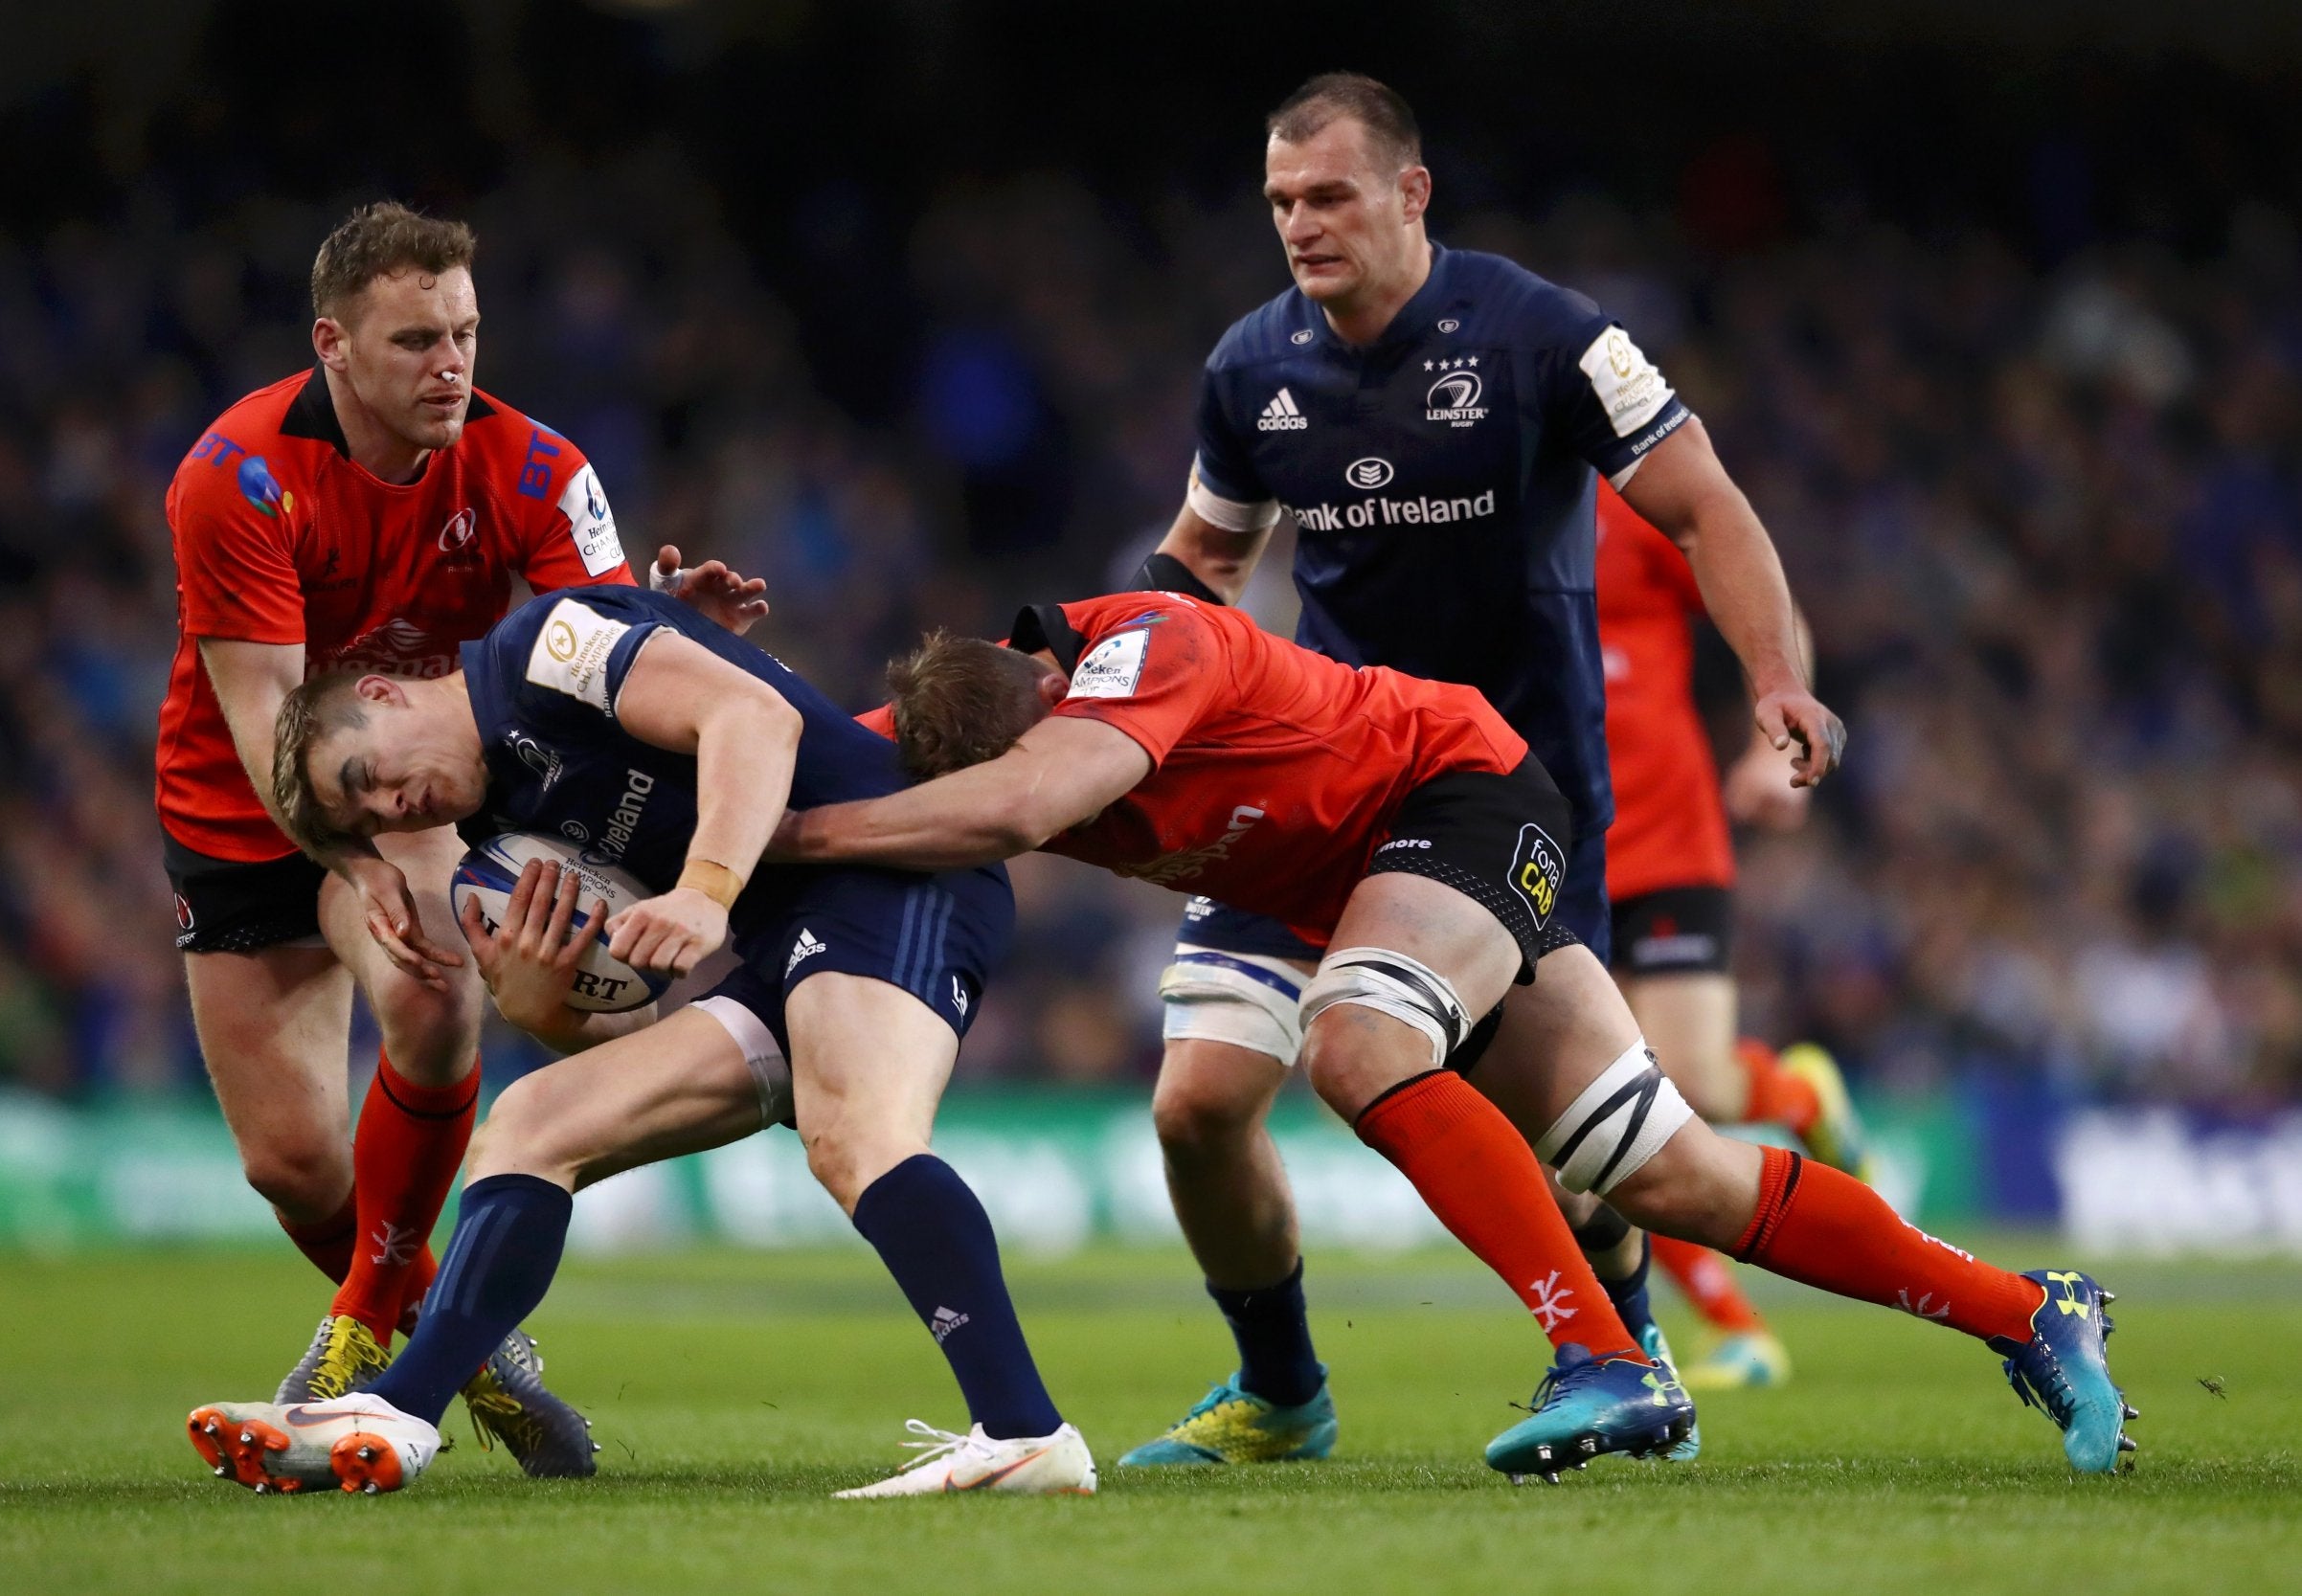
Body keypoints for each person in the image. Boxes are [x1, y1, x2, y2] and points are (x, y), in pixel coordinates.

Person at [777, 591, 2139, 1478]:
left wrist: (791, 838)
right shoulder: (956, 735)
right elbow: (798, 744)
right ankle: (2032, 1309)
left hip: (1463, 792)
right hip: (1373, 881)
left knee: (1357, 1039)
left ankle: (1602, 1353)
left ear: (1047, 673)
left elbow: (1023, 804)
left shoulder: (1136, 652)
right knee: (1669, 1169)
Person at [1115, 70, 1843, 1468]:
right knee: (1196, 1102)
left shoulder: (1546, 337)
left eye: (1328, 195)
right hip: (1325, 783)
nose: (1301, 225)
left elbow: (1705, 506)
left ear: (1409, 190)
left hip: (1508, 792)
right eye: (1279, 202)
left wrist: (1775, 677)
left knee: (1586, 1150)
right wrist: (1133, 693)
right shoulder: (1250, 368)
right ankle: (1282, 1390)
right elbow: (1206, 560)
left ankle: (1628, 1350)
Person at [184, 583, 1093, 1499]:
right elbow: (630, 1021)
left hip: (898, 878)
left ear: (382, 694)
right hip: (789, 939)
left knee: (858, 1133)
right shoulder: (501, 841)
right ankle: (403, 1411)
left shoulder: (538, 651)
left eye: (363, 777)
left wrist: (704, 886)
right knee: (533, 1122)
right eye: (371, 822)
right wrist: (545, 1007)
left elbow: (754, 715)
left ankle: (1024, 1430)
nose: (391, 805)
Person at [155, 199, 746, 1466]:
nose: (453, 363)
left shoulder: (538, 471)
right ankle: (464, 1341)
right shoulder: (235, 475)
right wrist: (348, 859)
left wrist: (661, 628)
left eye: (466, 332)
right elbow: (265, 716)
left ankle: (373, 1333)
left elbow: (604, 662)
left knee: (429, 978)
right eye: (418, 339)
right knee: (294, 1166)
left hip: (418, 789)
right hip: (245, 803)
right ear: (335, 345)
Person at [1593, 478, 1861, 1389]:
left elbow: (1766, 602)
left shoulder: (1630, 504)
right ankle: (1737, 1328)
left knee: (1688, 1085)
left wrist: (1769, 741)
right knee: (1597, 1118)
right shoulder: (1469, 509)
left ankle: (1794, 1094)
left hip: (1667, 839)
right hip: (1547, 846)